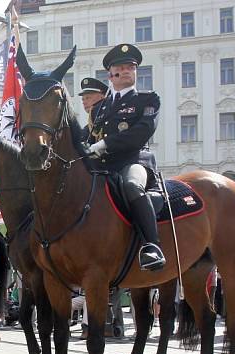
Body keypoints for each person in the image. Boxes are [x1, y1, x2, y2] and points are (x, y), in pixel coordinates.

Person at [88, 43, 164, 271]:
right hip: (101, 167)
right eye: (122, 67)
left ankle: (152, 246)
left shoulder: (147, 100)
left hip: (133, 161)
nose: (128, 70)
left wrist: (105, 144)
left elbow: (142, 131)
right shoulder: (99, 109)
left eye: (132, 66)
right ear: (111, 75)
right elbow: (89, 137)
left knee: (131, 186)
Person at [78, 77, 108, 142]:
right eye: (83, 99)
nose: (84, 102)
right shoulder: (86, 129)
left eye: (88, 98)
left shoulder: (108, 121)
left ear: (102, 97)